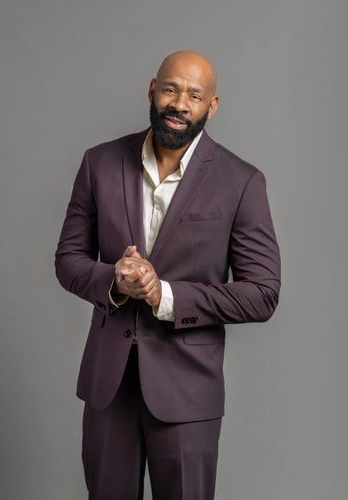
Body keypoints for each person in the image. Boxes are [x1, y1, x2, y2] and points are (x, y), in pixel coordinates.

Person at [55, 50, 281, 500]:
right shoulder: (99, 162)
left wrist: (166, 296)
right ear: (152, 90)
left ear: (211, 106)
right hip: (108, 387)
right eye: (171, 90)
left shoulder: (241, 181)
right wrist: (114, 281)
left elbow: (262, 293)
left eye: (194, 96)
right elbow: (68, 259)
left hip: (188, 391)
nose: (179, 104)